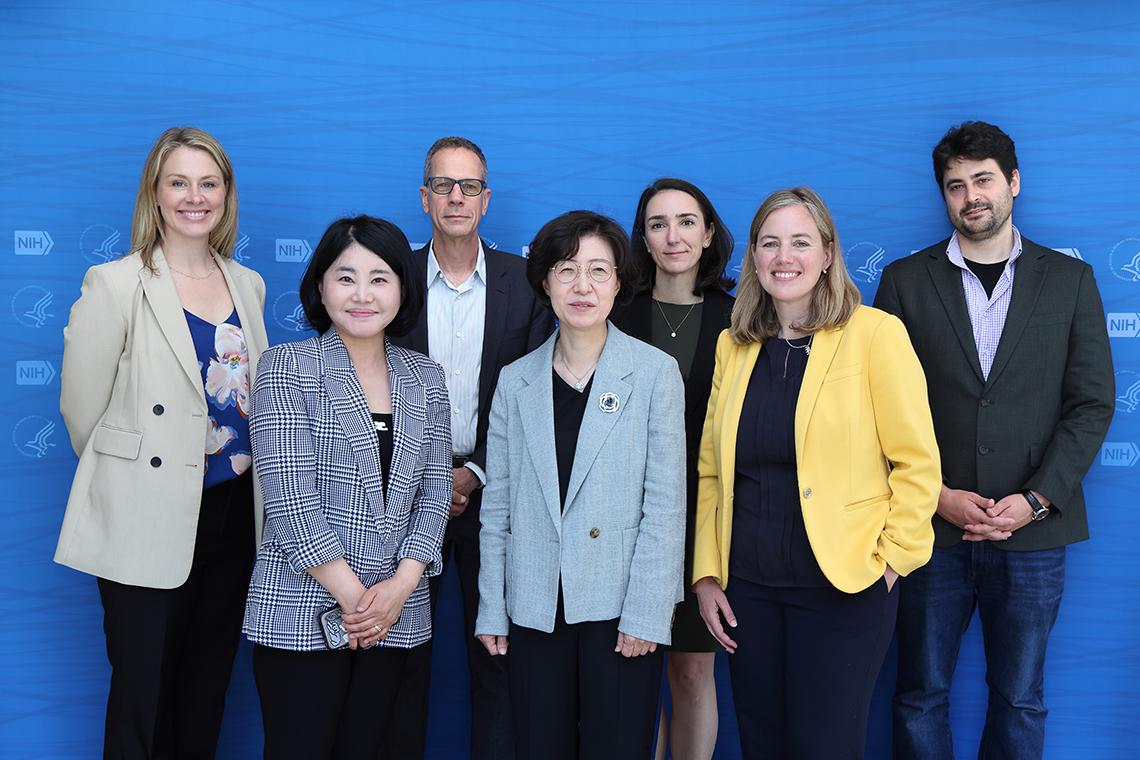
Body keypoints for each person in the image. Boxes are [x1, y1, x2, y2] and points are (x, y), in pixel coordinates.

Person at [876, 121, 1115, 760]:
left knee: (1020, 697)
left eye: (983, 179)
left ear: (1013, 182)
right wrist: (937, 497)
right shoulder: (903, 282)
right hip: (931, 530)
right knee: (919, 693)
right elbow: (880, 411)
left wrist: (1037, 499)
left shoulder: (1069, 282)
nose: (970, 195)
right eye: (956, 185)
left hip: (1032, 532)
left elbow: (1091, 405)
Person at [692, 186, 941, 759]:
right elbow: (711, 473)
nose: (785, 257)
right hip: (747, 591)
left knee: (823, 746)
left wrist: (893, 558)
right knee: (762, 744)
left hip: (844, 588)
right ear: (753, 256)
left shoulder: (875, 334)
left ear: (828, 254)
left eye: (801, 242)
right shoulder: (735, 346)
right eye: (770, 243)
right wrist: (707, 574)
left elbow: (917, 461)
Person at [56, 126, 268, 759]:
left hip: (232, 513)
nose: (194, 197)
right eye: (179, 182)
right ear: (155, 190)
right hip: (145, 511)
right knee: (142, 696)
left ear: (227, 195)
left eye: (209, 183)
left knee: (204, 693)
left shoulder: (248, 285)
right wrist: (138, 482)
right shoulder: (117, 282)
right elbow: (83, 412)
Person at [475, 210, 686, 759]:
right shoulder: (515, 380)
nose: (583, 286)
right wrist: (492, 607)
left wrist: (647, 613)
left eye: (599, 270)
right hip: (535, 603)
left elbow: (665, 506)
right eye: (566, 270)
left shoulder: (654, 372)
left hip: (620, 607)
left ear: (620, 281)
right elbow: (497, 506)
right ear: (545, 281)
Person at [243, 215, 451, 759]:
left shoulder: (426, 377)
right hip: (301, 609)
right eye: (346, 277)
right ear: (319, 285)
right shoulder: (286, 366)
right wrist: (358, 602)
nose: (362, 294)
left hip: (399, 614)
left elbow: (434, 493)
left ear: (402, 289)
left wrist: (400, 589)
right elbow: (288, 496)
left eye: (380, 278)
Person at [388, 136, 553, 759]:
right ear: (424, 196)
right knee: (400, 659)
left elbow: (533, 395)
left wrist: (474, 474)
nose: (456, 197)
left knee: (497, 659)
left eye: (469, 187)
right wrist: (432, 478)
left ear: (486, 200)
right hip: (400, 496)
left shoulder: (527, 282)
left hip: (497, 496)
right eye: (444, 185)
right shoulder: (390, 275)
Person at [611, 177, 735, 760]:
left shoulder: (741, 320)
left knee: (690, 672)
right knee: (632, 672)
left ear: (709, 234)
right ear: (644, 238)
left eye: (687, 221)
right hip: (621, 520)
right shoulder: (614, 315)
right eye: (658, 223)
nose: (673, 235)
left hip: (705, 520)